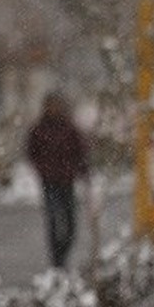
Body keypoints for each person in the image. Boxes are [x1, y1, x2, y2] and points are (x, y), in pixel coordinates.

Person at [27, 92, 89, 269]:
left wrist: (81, 171)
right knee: (54, 220)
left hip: (67, 181)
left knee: (70, 225)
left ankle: (63, 255)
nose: (54, 109)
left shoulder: (69, 128)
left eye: (57, 105)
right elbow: (32, 152)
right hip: (49, 182)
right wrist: (43, 169)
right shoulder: (39, 129)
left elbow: (81, 151)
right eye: (51, 105)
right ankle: (57, 262)